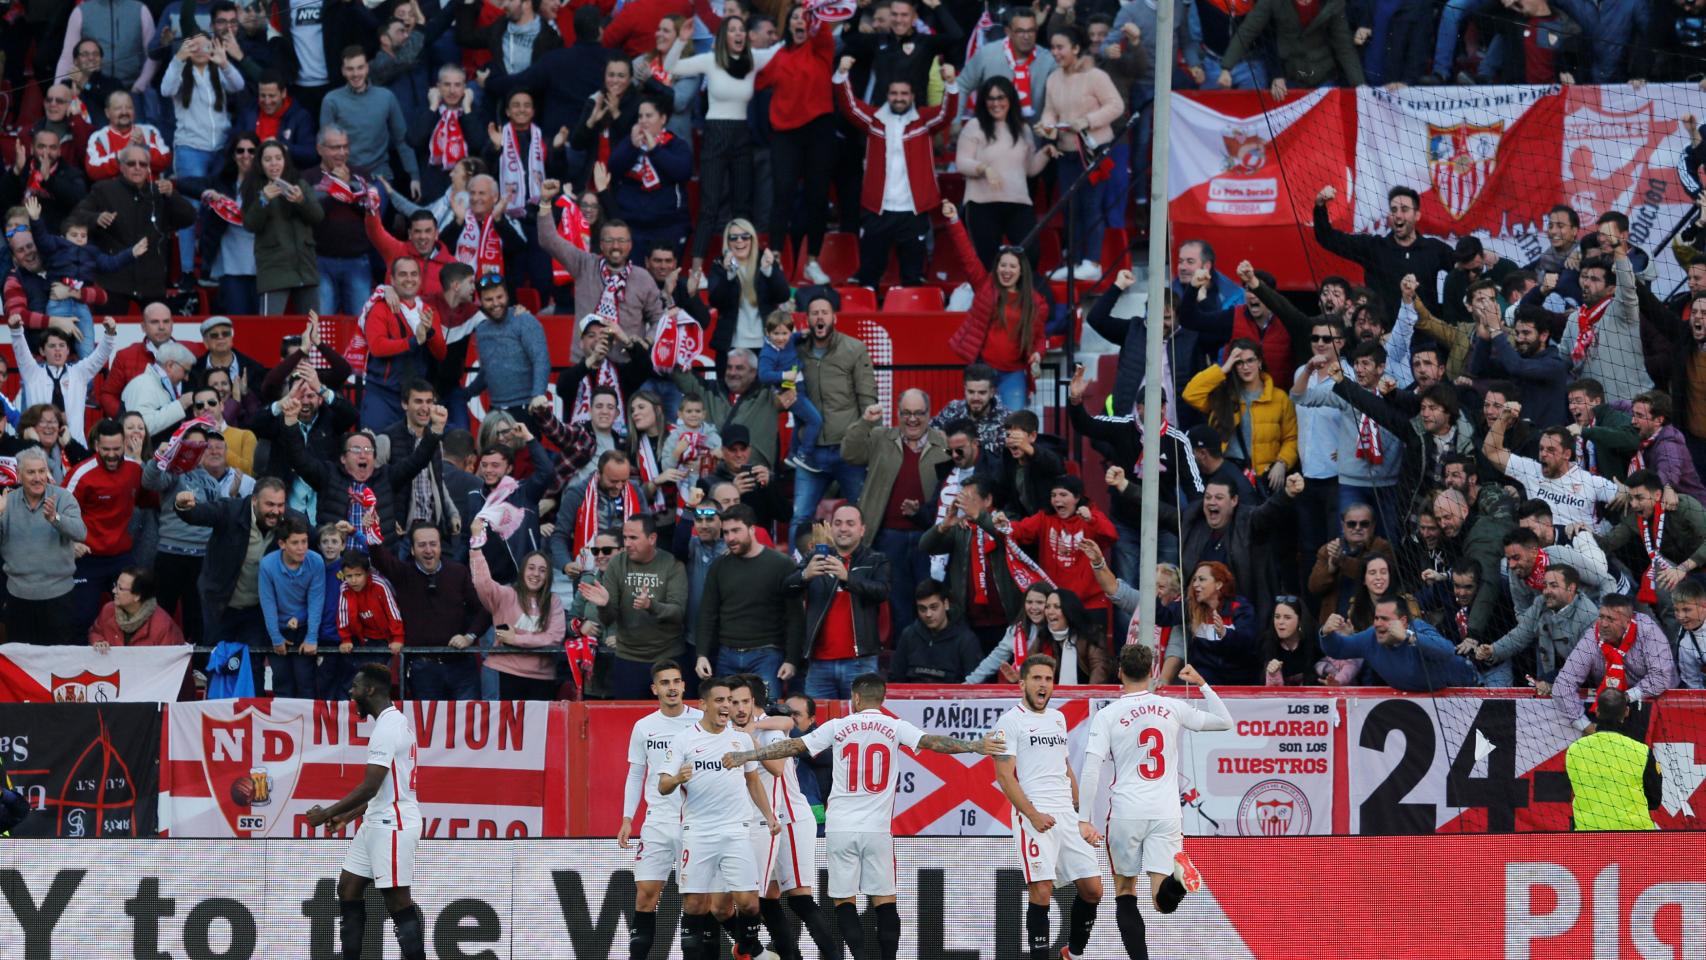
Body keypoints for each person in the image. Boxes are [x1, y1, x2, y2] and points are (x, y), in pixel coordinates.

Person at [721, 672, 1003, 960]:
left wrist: (747, 756)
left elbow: (794, 745)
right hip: (877, 828)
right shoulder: (895, 727)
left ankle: (857, 957)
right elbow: (933, 742)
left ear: (855, 698)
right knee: (885, 902)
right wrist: (974, 746)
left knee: (844, 902)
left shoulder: (839, 725)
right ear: (882, 698)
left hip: (840, 827)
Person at [1078, 646, 1232, 959]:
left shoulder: (1107, 715)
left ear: (1119, 671)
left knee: (1124, 892)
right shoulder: (1171, 707)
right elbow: (1224, 721)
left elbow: (1091, 768)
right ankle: (1177, 881)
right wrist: (1201, 683)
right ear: (1152, 671)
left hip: (1127, 812)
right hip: (1166, 812)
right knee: (1162, 903)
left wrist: (1083, 817)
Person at [304, 663, 428, 960]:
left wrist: (327, 813)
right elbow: (383, 788)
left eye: (355, 687)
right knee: (348, 887)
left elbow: (371, 786)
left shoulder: (387, 728)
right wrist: (347, 816)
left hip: (394, 824)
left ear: (370, 690)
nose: (352, 692)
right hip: (377, 820)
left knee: (398, 902)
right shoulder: (393, 722)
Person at [657, 676, 779, 960]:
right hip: (698, 832)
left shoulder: (740, 738)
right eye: (721, 700)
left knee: (749, 904)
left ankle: (747, 950)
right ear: (703, 705)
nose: (727, 706)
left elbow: (753, 781)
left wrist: (769, 815)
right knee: (695, 906)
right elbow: (662, 786)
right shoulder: (684, 739)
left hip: (736, 831)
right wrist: (677, 778)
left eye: (730, 700)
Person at [994, 654, 1103, 960]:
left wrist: (1082, 816)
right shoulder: (1009, 721)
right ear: (1022, 684)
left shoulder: (1058, 718)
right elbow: (1004, 775)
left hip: (1067, 815)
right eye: (1037, 678)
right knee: (1041, 890)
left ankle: (1073, 954)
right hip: (1035, 815)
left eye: (1048, 679)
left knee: (1093, 890)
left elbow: (1065, 766)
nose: (1043, 685)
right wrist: (1033, 814)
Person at [831, 56, 959, 287]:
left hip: (913, 210)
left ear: (912, 97)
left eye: (904, 94)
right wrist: (841, 74)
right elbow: (849, 106)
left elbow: (946, 113)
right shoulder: (874, 120)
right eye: (894, 94)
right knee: (869, 274)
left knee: (913, 277)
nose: (899, 98)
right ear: (887, 96)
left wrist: (950, 84)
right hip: (878, 208)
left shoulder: (924, 121)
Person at [618, 661, 704, 960]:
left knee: (693, 902)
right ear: (655, 689)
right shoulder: (644, 727)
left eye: (677, 681)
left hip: (695, 821)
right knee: (645, 895)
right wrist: (628, 818)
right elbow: (635, 774)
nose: (672, 687)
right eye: (665, 682)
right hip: (657, 820)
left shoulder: (701, 722)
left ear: (684, 686)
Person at [841, 392, 945, 632]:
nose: (912, 419)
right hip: (888, 536)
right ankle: (899, 657)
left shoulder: (942, 443)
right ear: (897, 414)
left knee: (928, 599)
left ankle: (926, 656)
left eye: (919, 413)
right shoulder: (880, 437)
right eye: (906, 413)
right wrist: (865, 422)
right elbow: (849, 452)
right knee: (895, 601)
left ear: (929, 415)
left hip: (928, 538)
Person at [1036, 25, 1123, 283]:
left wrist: (1087, 120)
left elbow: (1116, 106)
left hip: (1095, 150)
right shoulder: (1053, 78)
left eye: (1060, 47)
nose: (1055, 52)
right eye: (1052, 47)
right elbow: (1050, 110)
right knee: (1070, 207)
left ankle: (1092, 262)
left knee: (1091, 206)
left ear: (1075, 48)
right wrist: (1047, 126)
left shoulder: (1095, 76)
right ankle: (1073, 262)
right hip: (1066, 151)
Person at [943, 201, 1047, 412]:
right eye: (1003, 265)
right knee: (979, 427)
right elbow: (968, 257)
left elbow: (1038, 338)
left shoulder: (1035, 302)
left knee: (1013, 428)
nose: (1006, 270)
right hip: (983, 372)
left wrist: (1038, 353)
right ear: (997, 267)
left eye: (1012, 266)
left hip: (1014, 374)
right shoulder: (986, 286)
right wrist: (954, 221)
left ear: (1021, 271)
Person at [371, 521, 487, 701]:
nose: (428, 550)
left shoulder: (458, 572)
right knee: (428, 726)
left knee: (467, 725)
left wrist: (469, 637)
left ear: (440, 546)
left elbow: (483, 610)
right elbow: (379, 558)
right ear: (412, 550)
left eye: (433, 544)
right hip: (423, 669)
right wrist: (371, 529)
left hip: (461, 667)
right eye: (422, 545)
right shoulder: (403, 573)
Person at [72, 145, 196, 312]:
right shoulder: (104, 189)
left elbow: (189, 218)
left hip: (152, 281)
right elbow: (75, 217)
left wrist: (172, 195)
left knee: (159, 334)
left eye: (143, 164)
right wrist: (96, 218)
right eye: (131, 163)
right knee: (109, 334)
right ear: (121, 166)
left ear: (149, 168)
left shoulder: (159, 192)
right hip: (114, 281)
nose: (137, 168)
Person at [696, 504, 802, 699]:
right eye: (726, 532)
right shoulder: (719, 566)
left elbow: (795, 616)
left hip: (767, 655)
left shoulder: (782, 564)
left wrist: (791, 659)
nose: (730, 538)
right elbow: (707, 612)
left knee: (766, 716)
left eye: (736, 530)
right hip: (726, 654)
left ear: (752, 529)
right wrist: (701, 654)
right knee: (726, 721)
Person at [175, 477, 292, 654]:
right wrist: (183, 506)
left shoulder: (289, 520)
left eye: (280, 505)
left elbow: (314, 537)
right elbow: (201, 513)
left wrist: (332, 532)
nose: (276, 511)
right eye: (269, 504)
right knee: (218, 664)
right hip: (220, 605)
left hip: (256, 608)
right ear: (254, 500)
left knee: (253, 665)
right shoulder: (231, 510)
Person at [793, 289, 879, 525]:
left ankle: (867, 563)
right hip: (811, 450)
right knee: (800, 517)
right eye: (814, 314)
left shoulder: (854, 349)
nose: (819, 318)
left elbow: (867, 398)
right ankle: (798, 563)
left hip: (848, 450)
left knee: (863, 517)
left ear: (834, 318)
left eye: (824, 313)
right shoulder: (796, 351)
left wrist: (871, 444)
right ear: (807, 319)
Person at [789, 503, 890, 701]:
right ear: (831, 528)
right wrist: (804, 575)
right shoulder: (815, 557)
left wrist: (847, 578)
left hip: (860, 663)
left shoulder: (876, 559)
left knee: (862, 728)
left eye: (850, 523)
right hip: (819, 665)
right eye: (838, 523)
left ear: (862, 529)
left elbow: (882, 592)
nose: (843, 528)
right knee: (817, 728)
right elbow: (785, 588)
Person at [1312, 183, 1454, 322]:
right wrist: (1320, 206)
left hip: (1426, 338)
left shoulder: (1434, 249)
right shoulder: (1374, 247)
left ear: (1417, 215)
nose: (1398, 215)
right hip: (1383, 336)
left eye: (1404, 209)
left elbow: (1464, 267)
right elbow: (1328, 238)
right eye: (1393, 210)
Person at [585, 514, 689, 699]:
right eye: (625, 538)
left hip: (668, 657)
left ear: (652, 538)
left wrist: (651, 605)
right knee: (627, 722)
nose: (627, 543)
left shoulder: (671, 564)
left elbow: (678, 613)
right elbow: (609, 619)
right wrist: (604, 605)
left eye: (633, 538)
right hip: (628, 658)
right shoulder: (617, 563)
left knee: (671, 722)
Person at [66, 418, 150, 638]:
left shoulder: (135, 469)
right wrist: (70, 543)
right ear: (96, 446)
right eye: (106, 449)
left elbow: (151, 498)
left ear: (124, 444)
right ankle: (80, 668)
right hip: (88, 558)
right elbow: (59, 512)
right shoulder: (81, 474)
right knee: (82, 617)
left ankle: (130, 666)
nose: (112, 454)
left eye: (116, 448)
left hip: (121, 557)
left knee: (136, 613)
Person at [1546, 594, 1676, 732]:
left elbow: (1662, 677)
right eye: (1601, 617)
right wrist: (1584, 725)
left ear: (1627, 622)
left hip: (1655, 703)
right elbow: (1563, 684)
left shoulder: (1648, 631)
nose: (1603, 624)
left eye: (1611, 619)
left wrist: (1624, 698)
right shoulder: (1592, 637)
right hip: (1607, 710)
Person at [469, 520, 565, 701]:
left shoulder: (554, 602)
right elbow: (482, 583)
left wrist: (515, 639)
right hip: (505, 672)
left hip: (542, 678)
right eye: (531, 568)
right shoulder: (505, 595)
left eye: (542, 570)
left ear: (548, 576)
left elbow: (554, 637)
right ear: (522, 571)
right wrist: (476, 544)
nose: (536, 574)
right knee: (507, 729)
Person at [0, 448, 88, 643]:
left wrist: (55, 518)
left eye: (42, 471)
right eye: (31, 472)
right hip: (18, 599)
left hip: (59, 598)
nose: (38, 478)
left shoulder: (62, 497)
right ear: (19, 476)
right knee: (21, 665)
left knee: (57, 663)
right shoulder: (7, 502)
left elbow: (80, 533)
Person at [1320, 599, 1480, 691]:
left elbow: (1446, 650)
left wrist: (1409, 637)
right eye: (1376, 618)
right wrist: (1326, 633)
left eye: (1385, 619)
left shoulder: (1417, 628)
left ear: (1403, 622)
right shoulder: (1371, 637)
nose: (1378, 624)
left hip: (1466, 689)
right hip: (1418, 700)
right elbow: (1339, 649)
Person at [1565, 687, 1663, 831]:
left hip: (1587, 834)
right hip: (1635, 835)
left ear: (1597, 711)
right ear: (1626, 712)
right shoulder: (1641, 751)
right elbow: (1654, 800)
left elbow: (1574, 789)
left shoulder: (1574, 750)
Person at [258, 515, 325, 697]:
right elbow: (268, 602)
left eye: (304, 541)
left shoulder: (316, 561)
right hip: (277, 627)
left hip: (304, 627)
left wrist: (311, 637)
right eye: (295, 543)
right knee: (282, 683)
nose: (302, 548)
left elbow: (316, 600)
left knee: (306, 681)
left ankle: (310, 725)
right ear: (282, 544)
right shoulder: (268, 565)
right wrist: (276, 637)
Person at [889, 579, 983, 683]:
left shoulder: (966, 640)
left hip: (952, 697)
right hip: (913, 696)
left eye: (934, 607)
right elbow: (895, 679)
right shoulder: (908, 635)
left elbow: (975, 686)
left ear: (946, 604)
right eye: (922, 609)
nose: (928, 614)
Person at [88, 566, 185, 648]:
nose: (114, 591)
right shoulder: (108, 610)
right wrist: (98, 641)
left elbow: (173, 663)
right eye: (115, 585)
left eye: (120, 588)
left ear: (137, 596)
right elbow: (96, 632)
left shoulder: (163, 625)